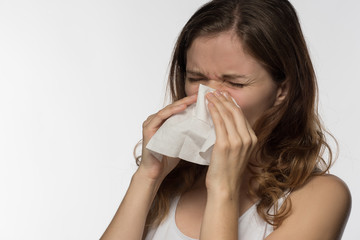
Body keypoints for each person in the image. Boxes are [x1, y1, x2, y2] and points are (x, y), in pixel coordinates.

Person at [101, 0, 351, 239]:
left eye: (234, 83)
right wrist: (147, 177)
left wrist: (223, 188)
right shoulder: (170, 180)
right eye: (196, 78)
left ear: (282, 90)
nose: (207, 98)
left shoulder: (322, 197)